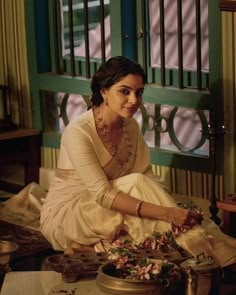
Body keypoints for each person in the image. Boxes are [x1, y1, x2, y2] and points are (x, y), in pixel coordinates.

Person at [40, 56, 236, 270]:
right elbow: (103, 194)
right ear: (104, 91)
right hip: (69, 215)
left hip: (110, 211)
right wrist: (167, 214)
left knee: (158, 211)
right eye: (124, 91)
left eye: (139, 92)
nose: (134, 100)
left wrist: (170, 208)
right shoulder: (78, 132)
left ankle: (97, 248)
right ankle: (213, 250)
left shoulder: (129, 126)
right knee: (140, 189)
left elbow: (147, 176)